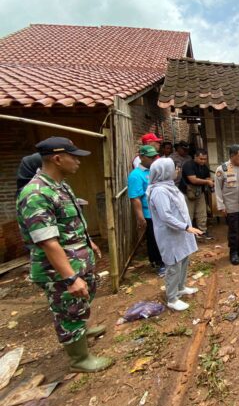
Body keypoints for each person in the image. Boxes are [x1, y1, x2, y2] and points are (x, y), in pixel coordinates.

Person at [16, 137, 112, 373]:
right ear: (57, 159)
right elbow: (48, 242)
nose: (78, 161)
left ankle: (81, 330)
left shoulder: (61, 186)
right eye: (74, 156)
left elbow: (70, 222)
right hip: (58, 269)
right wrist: (70, 277)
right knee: (68, 311)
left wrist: (87, 241)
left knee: (79, 304)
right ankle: (79, 360)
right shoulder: (36, 194)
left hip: (77, 259)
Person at [147, 158, 203, 311]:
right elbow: (165, 216)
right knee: (173, 265)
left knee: (183, 259)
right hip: (170, 235)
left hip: (180, 232)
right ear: (164, 171)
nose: (177, 170)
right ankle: (172, 298)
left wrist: (186, 227)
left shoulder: (170, 186)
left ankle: (181, 287)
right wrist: (186, 227)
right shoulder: (159, 191)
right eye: (174, 168)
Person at [128, 145, 165, 276]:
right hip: (149, 213)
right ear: (141, 157)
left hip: (161, 211)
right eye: (150, 157)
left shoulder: (154, 170)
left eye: (155, 157)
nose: (153, 159)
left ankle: (165, 260)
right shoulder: (136, 175)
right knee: (154, 239)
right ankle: (157, 263)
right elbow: (135, 198)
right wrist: (140, 217)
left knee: (163, 237)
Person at [179, 149, 214, 239]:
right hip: (188, 192)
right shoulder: (188, 165)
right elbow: (193, 179)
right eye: (201, 159)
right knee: (188, 214)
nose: (203, 161)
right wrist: (207, 181)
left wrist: (209, 180)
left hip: (200, 192)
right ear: (195, 157)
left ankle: (202, 232)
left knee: (202, 213)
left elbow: (207, 176)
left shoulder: (204, 167)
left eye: (205, 159)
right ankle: (188, 234)